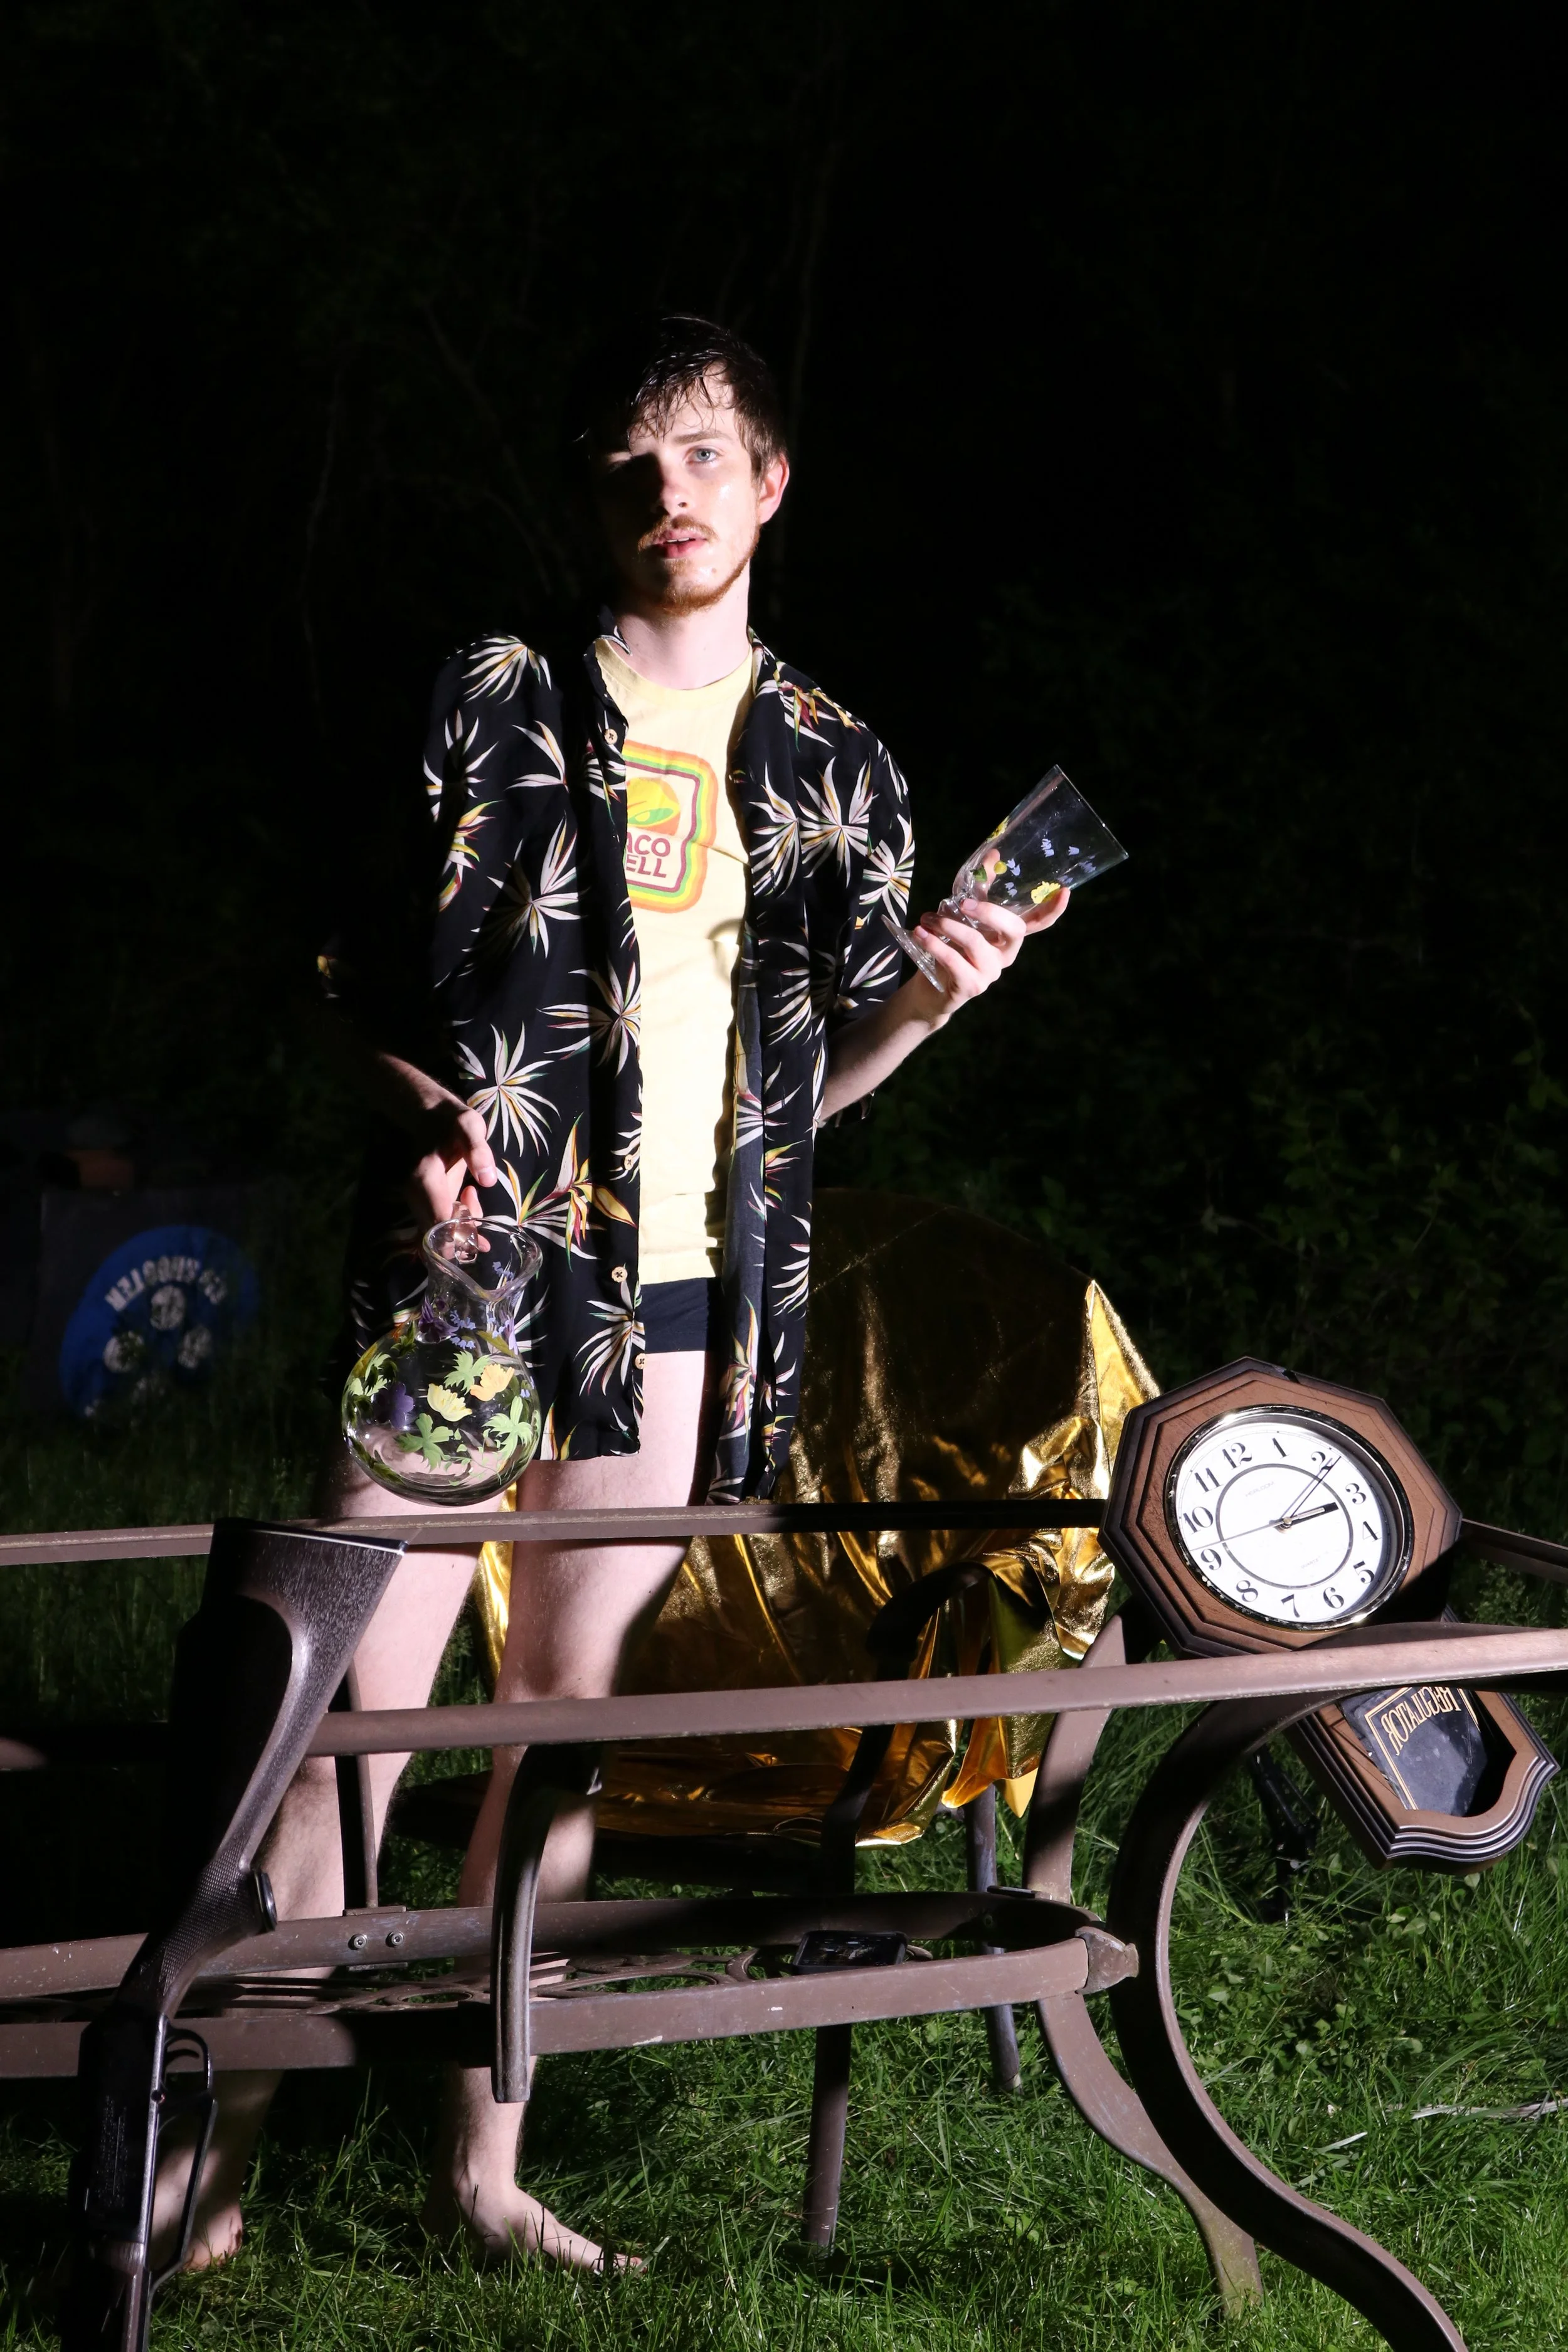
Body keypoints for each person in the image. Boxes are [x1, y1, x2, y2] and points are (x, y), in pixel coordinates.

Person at [157, 314, 1070, 2274]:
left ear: (770, 482)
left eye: (704, 455)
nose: (670, 494)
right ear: (598, 498)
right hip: (475, 1275)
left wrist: (926, 1002)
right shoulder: (493, 698)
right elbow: (338, 982)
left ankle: (482, 2168)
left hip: (679, 1306)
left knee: (558, 1720)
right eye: (631, 465)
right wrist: (422, 1112)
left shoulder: (837, 765)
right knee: (345, 1711)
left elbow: (799, 1098)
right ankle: (213, 2165)